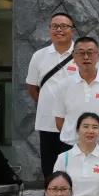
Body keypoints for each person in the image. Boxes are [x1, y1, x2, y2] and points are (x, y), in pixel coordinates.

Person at [27, 12, 79, 177]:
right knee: (49, 169)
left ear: (72, 30)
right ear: (49, 29)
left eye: (64, 26)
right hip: (47, 123)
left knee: (73, 170)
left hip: (74, 123)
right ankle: (49, 195)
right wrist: (47, 104)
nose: (59, 30)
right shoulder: (39, 56)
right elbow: (32, 87)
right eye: (55, 26)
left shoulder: (81, 54)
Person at [53, 36, 99, 146]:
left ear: (98, 55)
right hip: (70, 146)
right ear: (74, 56)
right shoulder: (64, 85)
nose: (86, 57)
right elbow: (59, 120)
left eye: (90, 52)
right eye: (81, 53)